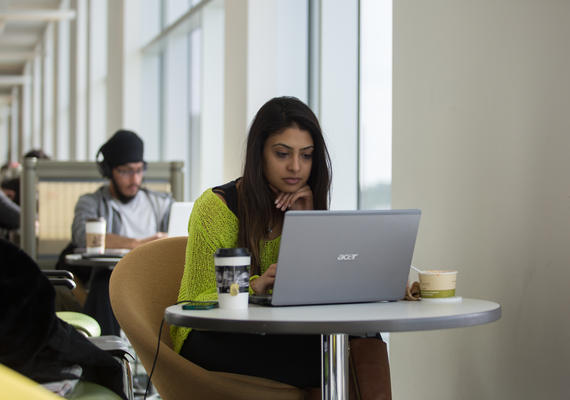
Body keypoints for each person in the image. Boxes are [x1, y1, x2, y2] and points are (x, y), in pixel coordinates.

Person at [170, 96, 331, 391]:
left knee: (361, 338)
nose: (296, 166)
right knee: (323, 360)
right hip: (208, 334)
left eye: (306, 155)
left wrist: (305, 223)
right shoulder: (217, 208)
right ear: (260, 154)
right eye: (282, 154)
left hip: (272, 332)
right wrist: (253, 285)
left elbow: (312, 295)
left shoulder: (304, 205)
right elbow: (193, 301)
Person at [70, 129, 174, 334]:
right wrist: (136, 244)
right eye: (126, 171)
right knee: (106, 285)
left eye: (139, 170)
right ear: (109, 171)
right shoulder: (92, 203)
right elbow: (82, 235)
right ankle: (107, 361)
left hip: (152, 279)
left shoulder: (161, 204)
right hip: (114, 279)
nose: (134, 179)